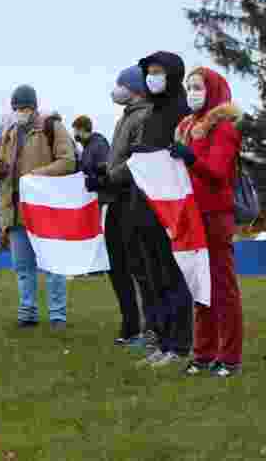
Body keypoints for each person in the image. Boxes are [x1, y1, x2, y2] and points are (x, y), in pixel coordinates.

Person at [100, 51, 193, 368]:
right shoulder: (153, 112)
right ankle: (164, 340)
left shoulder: (181, 112)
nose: (152, 77)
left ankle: (180, 343)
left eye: (158, 71)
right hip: (144, 205)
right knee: (154, 276)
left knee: (172, 275)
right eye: (149, 71)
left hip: (170, 206)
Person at [169, 67, 244, 378]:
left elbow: (217, 172)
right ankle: (204, 353)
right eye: (189, 86)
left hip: (215, 215)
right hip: (192, 215)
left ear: (211, 89)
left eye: (197, 86)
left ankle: (229, 357)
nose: (192, 92)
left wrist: (190, 159)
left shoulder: (224, 128)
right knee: (200, 285)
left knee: (223, 286)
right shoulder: (186, 127)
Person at [0, 84, 77, 329]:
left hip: (46, 210)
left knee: (53, 266)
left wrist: (36, 175)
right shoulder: (10, 132)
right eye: (16, 108)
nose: (20, 112)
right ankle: (27, 313)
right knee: (23, 268)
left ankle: (57, 316)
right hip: (17, 210)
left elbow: (68, 161)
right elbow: (6, 169)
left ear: (34, 107)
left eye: (24, 107)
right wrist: (0, 170)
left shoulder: (52, 127)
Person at [89, 67, 155, 348]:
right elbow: (118, 159)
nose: (116, 89)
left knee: (138, 267)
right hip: (116, 200)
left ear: (134, 88)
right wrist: (102, 170)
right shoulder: (124, 119)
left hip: (132, 199)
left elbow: (136, 162)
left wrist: (108, 176)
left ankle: (148, 328)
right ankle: (130, 326)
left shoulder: (144, 116)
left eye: (121, 84)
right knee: (117, 267)